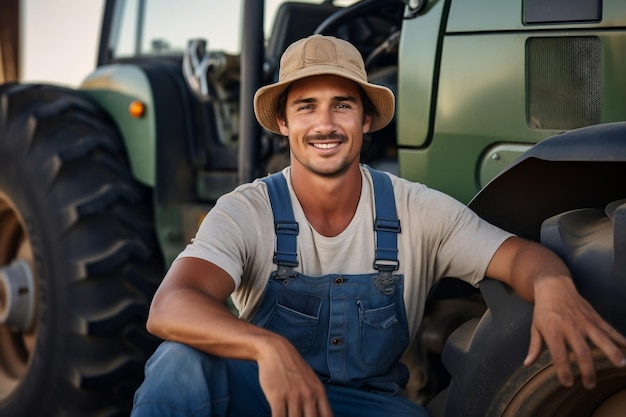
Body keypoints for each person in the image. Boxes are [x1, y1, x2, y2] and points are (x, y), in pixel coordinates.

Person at [131, 34, 626, 417]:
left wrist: (554, 282)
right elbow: (171, 305)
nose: (325, 124)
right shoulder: (247, 210)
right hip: (268, 397)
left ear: (366, 120)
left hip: (369, 408)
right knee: (180, 365)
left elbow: (516, 255)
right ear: (283, 123)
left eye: (341, 105)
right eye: (306, 106)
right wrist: (269, 348)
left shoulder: (417, 211)